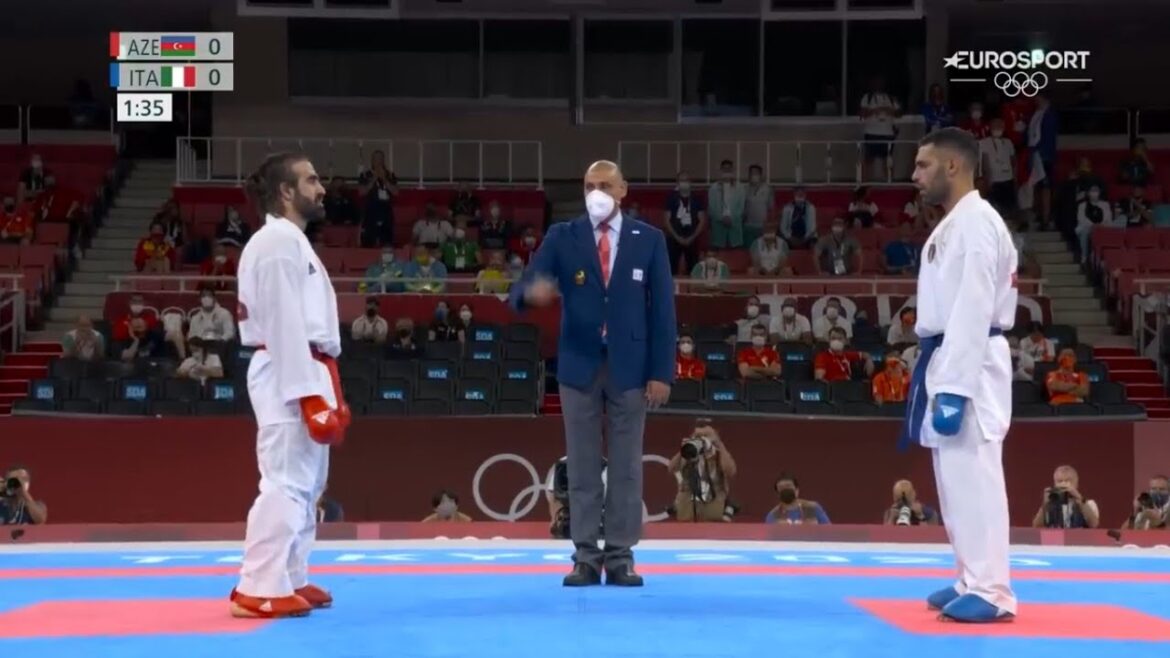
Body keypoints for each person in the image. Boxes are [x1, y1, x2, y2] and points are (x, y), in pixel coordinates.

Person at [509, 160, 676, 588]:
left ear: (623, 190)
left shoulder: (650, 240)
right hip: (579, 365)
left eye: (604, 185)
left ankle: (620, 555)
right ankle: (585, 555)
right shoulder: (562, 237)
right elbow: (522, 290)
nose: (596, 192)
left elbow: (663, 313)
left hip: (632, 368)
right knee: (581, 465)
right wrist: (532, 292)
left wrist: (661, 372)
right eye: (588, 185)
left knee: (626, 466)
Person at [900, 127, 1018, 623]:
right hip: (945, 354)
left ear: (954, 166)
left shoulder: (976, 225)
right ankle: (970, 576)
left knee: (977, 475)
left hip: (967, 358)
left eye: (923, 165)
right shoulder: (954, 224)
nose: (914, 175)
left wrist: (954, 389)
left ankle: (993, 590)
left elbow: (972, 308)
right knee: (953, 480)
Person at [230, 153, 351, 619]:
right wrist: (307, 395)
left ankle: (290, 575)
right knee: (285, 479)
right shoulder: (277, 242)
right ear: (286, 192)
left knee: (309, 482)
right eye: (312, 180)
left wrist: (325, 388)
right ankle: (257, 585)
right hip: (288, 367)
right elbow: (282, 322)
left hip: (307, 364)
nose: (321, 189)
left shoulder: (291, 242)